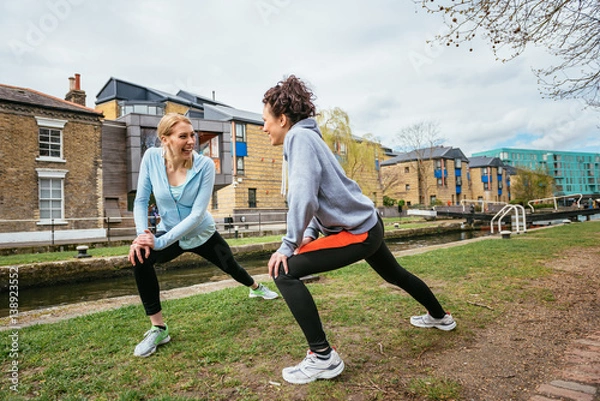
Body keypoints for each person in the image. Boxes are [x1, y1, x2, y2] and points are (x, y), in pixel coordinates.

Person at [262, 75, 456, 384]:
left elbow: (304, 196)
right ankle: (440, 317)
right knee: (396, 274)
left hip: (358, 232)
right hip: (369, 224)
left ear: (282, 119)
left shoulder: (299, 139)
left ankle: (323, 357)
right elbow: (319, 193)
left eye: (266, 121)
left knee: (283, 272)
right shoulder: (309, 137)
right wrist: (309, 233)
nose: (264, 128)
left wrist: (289, 244)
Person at [128, 113, 278, 358]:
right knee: (140, 257)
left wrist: (160, 240)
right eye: (183, 136)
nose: (191, 141)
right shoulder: (151, 158)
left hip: (201, 233)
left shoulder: (205, 165)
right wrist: (141, 237)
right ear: (165, 139)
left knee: (231, 266)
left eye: (192, 135)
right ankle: (159, 328)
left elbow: (197, 214)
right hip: (169, 232)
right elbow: (142, 200)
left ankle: (256, 287)